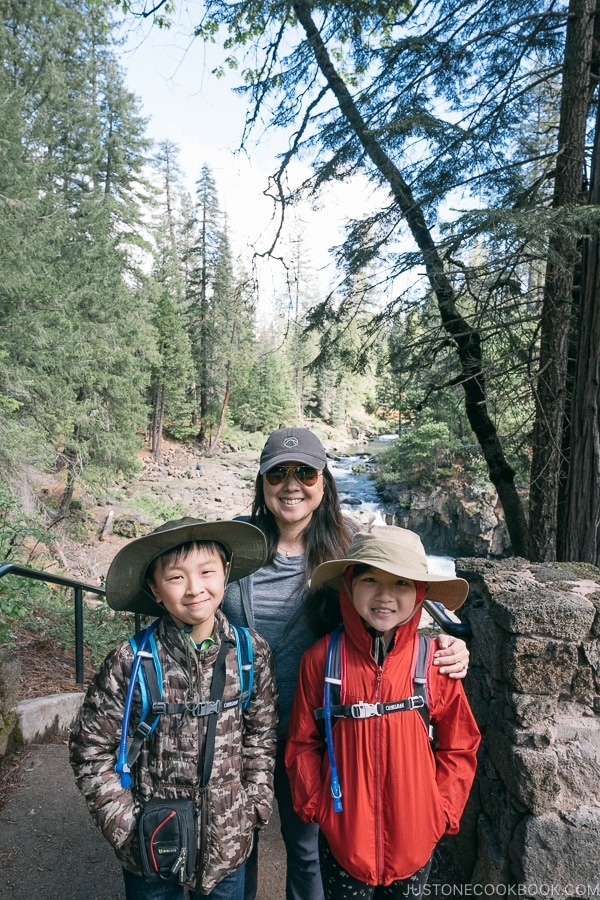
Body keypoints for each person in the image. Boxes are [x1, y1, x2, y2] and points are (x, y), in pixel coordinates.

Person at [221, 427, 471, 900]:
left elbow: (394, 605)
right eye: (277, 473)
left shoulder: (349, 545)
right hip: (238, 728)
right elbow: (192, 602)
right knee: (234, 847)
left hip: (318, 731)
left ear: (324, 481)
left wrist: (445, 646)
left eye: (305, 473)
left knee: (307, 850)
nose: (291, 485)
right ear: (262, 481)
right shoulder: (235, 546)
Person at [69, 517, 278, 900]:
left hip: (227, 838)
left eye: (207, 572)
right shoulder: (130, 662)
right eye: (177, 577)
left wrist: (253, 806)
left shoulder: (250, 654)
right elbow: (90, 749)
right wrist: (125, 825)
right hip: (151, 840)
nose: (195, 588)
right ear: (155, 588)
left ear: (226, 571)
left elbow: (261, 736)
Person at [285, 525, 481, 899]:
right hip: (345, 841)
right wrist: (317, 806)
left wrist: (440, 811)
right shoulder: (322, 660)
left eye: (401, 583)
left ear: (420, 592)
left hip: (416, 840)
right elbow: (302, 743)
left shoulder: (434, 664)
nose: (384, 595)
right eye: (370, 579)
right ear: (348, 585)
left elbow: (460, 745)